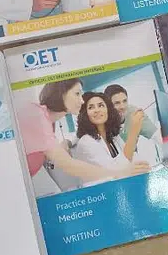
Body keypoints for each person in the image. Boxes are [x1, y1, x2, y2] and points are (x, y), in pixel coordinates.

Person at [17, 79, 150, 186]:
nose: (81, 101)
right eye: (77, 94)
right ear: (61, 93)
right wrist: (121, 172)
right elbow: (69, 165)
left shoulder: (49, 122)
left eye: (101, 106)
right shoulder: (37, 116)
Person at [73, 92, 145, 175]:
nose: (97, 110)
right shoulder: (86, 142)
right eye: (91, 107)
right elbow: (116, 171)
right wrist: (134, 131)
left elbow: (131, 157)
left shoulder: (113, 137)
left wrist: (141, 165)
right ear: (85, 114)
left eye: (101, 105)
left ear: (108, 110)